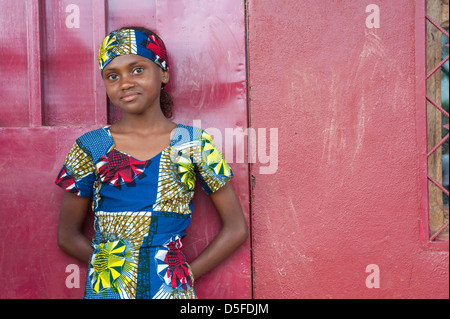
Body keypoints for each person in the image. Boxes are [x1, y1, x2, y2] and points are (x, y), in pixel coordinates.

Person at [55, 26, 248, 299]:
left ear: (163, 73)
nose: (125, 82)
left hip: (170, 291)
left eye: (137, 69)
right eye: (112, 75)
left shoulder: (194, 143)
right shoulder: (91, 146)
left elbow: (236, 228)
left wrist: (184, 274)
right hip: (108, 291)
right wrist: (113, 268)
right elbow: (67, 236)